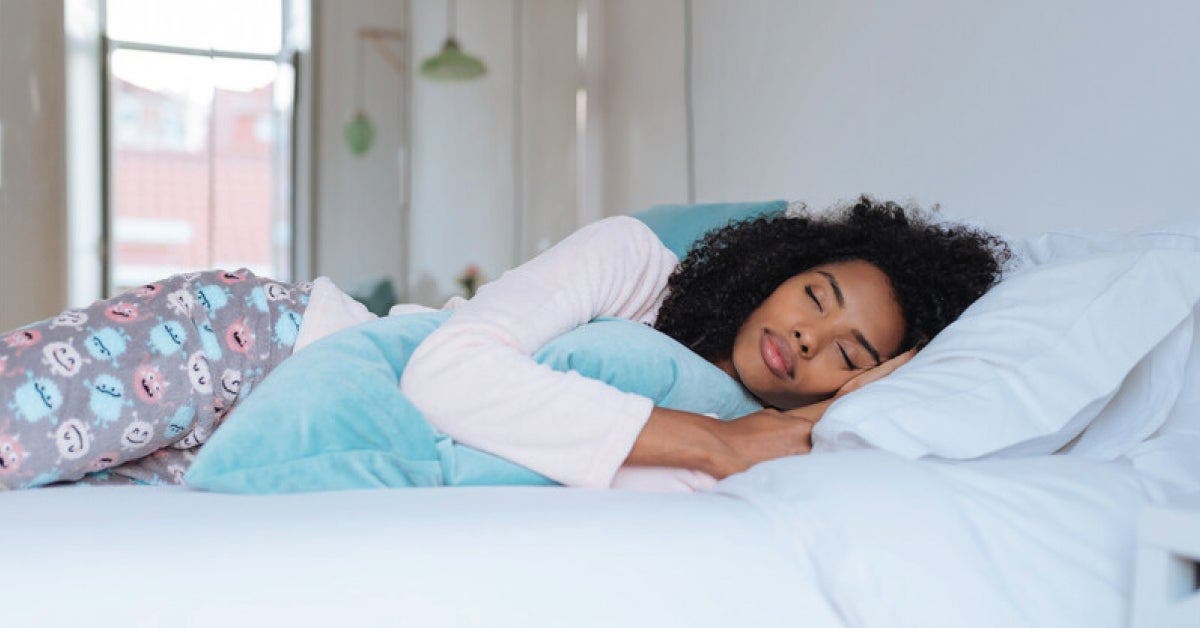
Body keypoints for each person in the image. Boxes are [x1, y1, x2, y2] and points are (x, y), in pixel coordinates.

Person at [0, 197, 1007, 491]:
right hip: (259, 347)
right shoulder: (635, 261)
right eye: (816, 295)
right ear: (785, 264)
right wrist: (712, 440)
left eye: (849, 351)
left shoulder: (754, 427)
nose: (807, 335)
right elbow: (449, 371)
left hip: (292, 456)